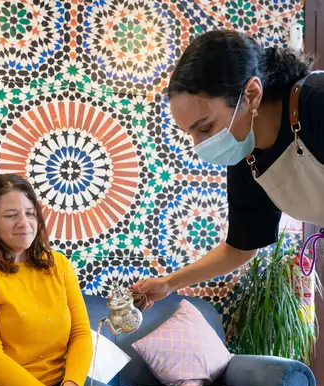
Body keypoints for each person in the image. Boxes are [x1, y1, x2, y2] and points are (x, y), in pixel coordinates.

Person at [0, 174, 153, 386]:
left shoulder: (58, 264)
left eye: (30, 213)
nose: (24, 222)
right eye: (10, 215)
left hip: (58, 384)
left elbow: (81, 334)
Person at [132, 29, 324, 304]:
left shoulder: (317, 102)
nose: (199, 145)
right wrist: (168, 284)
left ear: (251, 94)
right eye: (192, 134)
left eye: (206, 127)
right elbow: (240, 248)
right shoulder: (248, 163)